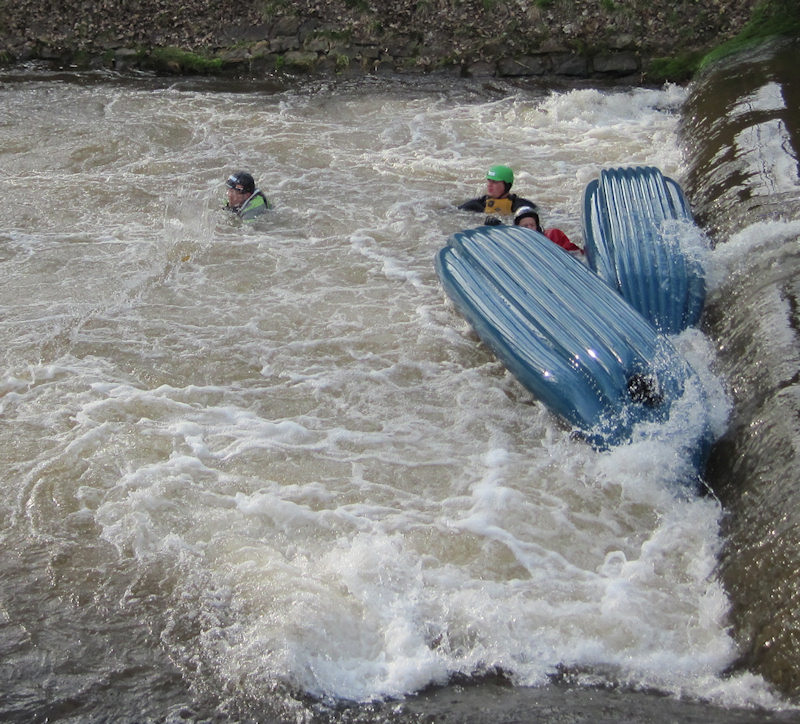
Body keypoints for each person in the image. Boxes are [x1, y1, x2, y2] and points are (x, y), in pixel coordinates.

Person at [459, 165, 537, 225]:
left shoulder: (521, 205)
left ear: (507, 185)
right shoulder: (475, 205)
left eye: (495, 182)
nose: (490, 185)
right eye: (489, 181)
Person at [514, 206, 585, 258]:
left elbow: (578, 254)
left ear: (537, 226)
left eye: (532, 225)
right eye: (525, 226)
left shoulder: (553, 236)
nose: (529, 228)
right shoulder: (514, 245)